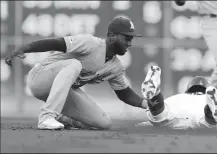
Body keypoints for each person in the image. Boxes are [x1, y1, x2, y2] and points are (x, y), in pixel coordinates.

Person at [5, 16, 149, 130]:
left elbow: (125, 93)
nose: (130, 43)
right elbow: (56, 43)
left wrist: (147, 104)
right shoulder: (90, 43)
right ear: (112, 36)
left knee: (103, 123)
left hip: (63, 91)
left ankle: (62, 118)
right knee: (75, 64)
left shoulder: (116, 67)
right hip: (40, 78)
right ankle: (46, 117)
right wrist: (24, 48)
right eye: (127, 38)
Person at [137, 65, 217, 130]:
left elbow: (146, 124)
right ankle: (210, 111)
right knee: (210, 124)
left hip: (173, 115)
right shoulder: (205, 99)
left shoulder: (178, 97)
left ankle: (156, 92)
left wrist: (145, 124)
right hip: (199, 118)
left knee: (159, 115)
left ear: (188, 89)